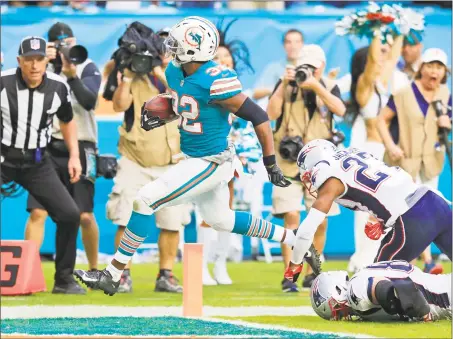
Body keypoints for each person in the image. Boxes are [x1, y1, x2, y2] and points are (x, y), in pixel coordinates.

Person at [74, 16, 321, 295]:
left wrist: (270, 163)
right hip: (195, 158)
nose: (169, 47)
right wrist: (168, 110)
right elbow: (188, 105)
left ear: (193, 49)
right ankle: (297, 239)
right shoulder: (175, 72)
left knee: (144, 200)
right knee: (221, 220)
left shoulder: (216, 81)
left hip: (211, 161)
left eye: (176, 43)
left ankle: (113, 273)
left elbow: (259, 116)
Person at [284, 139, 451, 285]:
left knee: (373, 284)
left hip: (412, 218)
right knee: (380, 280)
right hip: (435, 201)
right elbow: (397, 183)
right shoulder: (354, 154)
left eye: (307, 175)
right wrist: (384, 220)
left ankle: (431, 301)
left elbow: (306, 232)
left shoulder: (330, 179)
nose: (309, 180)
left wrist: (295, 263)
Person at [104, 22, 187, 293]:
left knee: (172, 222)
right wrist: (127, 75)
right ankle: (122, 274)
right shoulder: (132, 73)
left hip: (172, 161)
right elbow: (118, 105)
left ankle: (166, 275)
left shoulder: (180, 76)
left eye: (166, 47)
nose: (161, 51)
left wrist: (160, 72)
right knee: (125, 217)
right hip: (134, 159)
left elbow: (184, 100)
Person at [1, 36, 83, 294]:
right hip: (3, 158)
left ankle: (64, 279)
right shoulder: (2, 83)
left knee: (70, 214)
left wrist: (74, 155)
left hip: (37, 161)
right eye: (29, 60)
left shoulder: (58, 86)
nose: (35, 65)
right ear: (19, 61)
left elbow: (67, 120)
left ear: (47, 60)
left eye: (39, 59)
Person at [267, 44, 346, 292]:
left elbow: (341, 110)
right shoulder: (285, 86)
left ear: (321, 67)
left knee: (319, 220)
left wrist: (316, 86)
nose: (308, 71)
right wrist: (282, 84)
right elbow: (270, 113)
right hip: (288, 163)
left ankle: (313, 272)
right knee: (291, 215)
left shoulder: (329, 87)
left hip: (320, 166)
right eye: (305, 66)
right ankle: (289, 275)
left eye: (313, 66)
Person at [24, 22, 101, 273]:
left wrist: (70, 73)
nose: (64, 48)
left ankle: (93, 268)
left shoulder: (86, 65)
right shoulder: (40, 70)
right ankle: (27, 270)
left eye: (68, 42)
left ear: (75, 40)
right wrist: (44, 65)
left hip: (82, 144)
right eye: (58, 44)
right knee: (38, 212)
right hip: (46, 145)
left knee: (84, 215)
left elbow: (89, 101)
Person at [377, 48, 451, 274]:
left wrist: (447, 122)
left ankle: (423, 261)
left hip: (431, 161)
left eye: (439, 67)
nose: (434, 71)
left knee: (429, 211)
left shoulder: (446, 95)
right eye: (430, 66)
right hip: (405, 161)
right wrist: (391, 145)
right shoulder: (403, 93)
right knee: (408, 210)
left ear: (444, 72)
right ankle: (421, 260)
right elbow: (381, 120)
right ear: (422, 68)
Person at [197, 18, 259, 286]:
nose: (223, 62)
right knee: (205, 213)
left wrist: (242, 152)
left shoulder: (238, 92)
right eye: (217, 58)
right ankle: (199, 267)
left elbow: (246, 126)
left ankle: (220, 264)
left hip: (230, 159)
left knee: (225, 211)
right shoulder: (200, 87)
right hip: (205, 155)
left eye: (227, 59)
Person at [346, 34, 405, 273]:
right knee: (365, 209)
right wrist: (377, 29)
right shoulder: (363, 85)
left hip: (384, 153)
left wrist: (401, 27)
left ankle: (375, 256)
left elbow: (393, 58)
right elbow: (374, 62)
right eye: (378, 56)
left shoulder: (382, 86)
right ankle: (363, 259)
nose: (383, 60)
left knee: (384, 209)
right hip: (368, 153)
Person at [311, 260, 451, 322]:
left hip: (446, 297)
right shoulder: (361, 277)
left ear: (338, 290)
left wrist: (423, 313)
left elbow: (386, 289)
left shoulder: (356, 288)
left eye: (337, 311)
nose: (341, 317)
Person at [252, 29, 304, 107]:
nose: (293, 46)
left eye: (297, 42)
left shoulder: (310, 67)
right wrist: (281, 86)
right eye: (289, 42)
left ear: (302, 44)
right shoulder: (274, 68)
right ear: (284, 45)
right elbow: (256, 93)